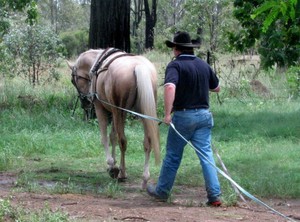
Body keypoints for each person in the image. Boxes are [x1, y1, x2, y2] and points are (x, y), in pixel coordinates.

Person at [147, 31, 222, 206]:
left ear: (176, 49)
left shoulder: (175, 66)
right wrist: (199, 84)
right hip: (204, 116)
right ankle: (215, 196)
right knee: (206, 156)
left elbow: (170, 87)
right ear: (190, 48)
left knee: (173, 156)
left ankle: (162, 191)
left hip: (184, 116)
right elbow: (217, 88)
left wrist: (167, 114)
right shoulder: (203, 65)